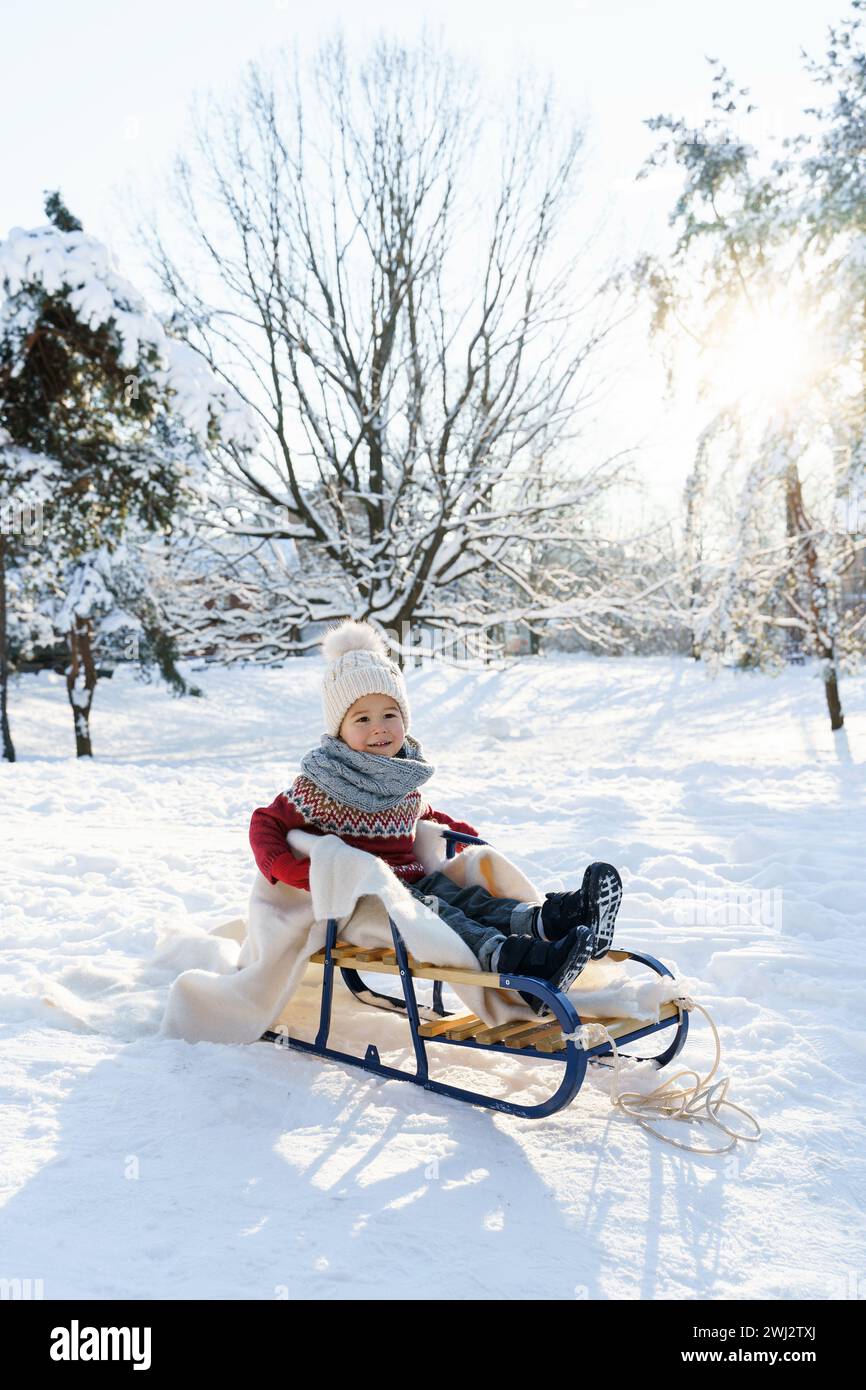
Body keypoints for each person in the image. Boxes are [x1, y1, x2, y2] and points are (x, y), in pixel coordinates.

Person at [248, 620, 622, 1014]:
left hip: (413, 882)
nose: (379, 729)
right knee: (439, 912)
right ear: (339, 730)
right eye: (362, 719)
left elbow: (421, 812)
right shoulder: (323, 783)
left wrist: (456, 832)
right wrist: (284, 867)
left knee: (464, 898)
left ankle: (551, 919)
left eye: (389, 714)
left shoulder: (400, 775)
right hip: (364, 901)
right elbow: (266, 822)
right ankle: (514, 959)